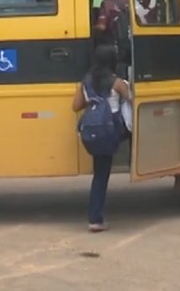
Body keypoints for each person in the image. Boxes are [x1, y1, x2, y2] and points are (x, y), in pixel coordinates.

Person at [72, 46, 132, 233]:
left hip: (92, 132)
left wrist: (93, 101)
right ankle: (95, 219)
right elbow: (133, 101)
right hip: (110, 131)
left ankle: (95, 217)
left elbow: (75, 106)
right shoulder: (117, 83)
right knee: (101, 175)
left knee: (99, 173)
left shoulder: (86, 83)